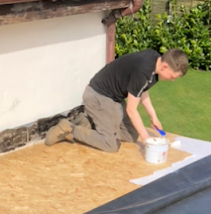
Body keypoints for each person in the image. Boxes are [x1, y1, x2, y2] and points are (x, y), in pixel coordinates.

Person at [46, 48, 189, 154]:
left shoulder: (155, 61)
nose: (172, 80)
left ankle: (87, 123)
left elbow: (141, 90)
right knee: (110, 145)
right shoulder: (143, 71)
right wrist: (146, 137)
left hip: (114, 99)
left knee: (131, 134)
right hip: (98, 96)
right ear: (164, 67)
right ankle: (69, 128)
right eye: (173, 76)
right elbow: (131, 110)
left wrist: (153, 116)